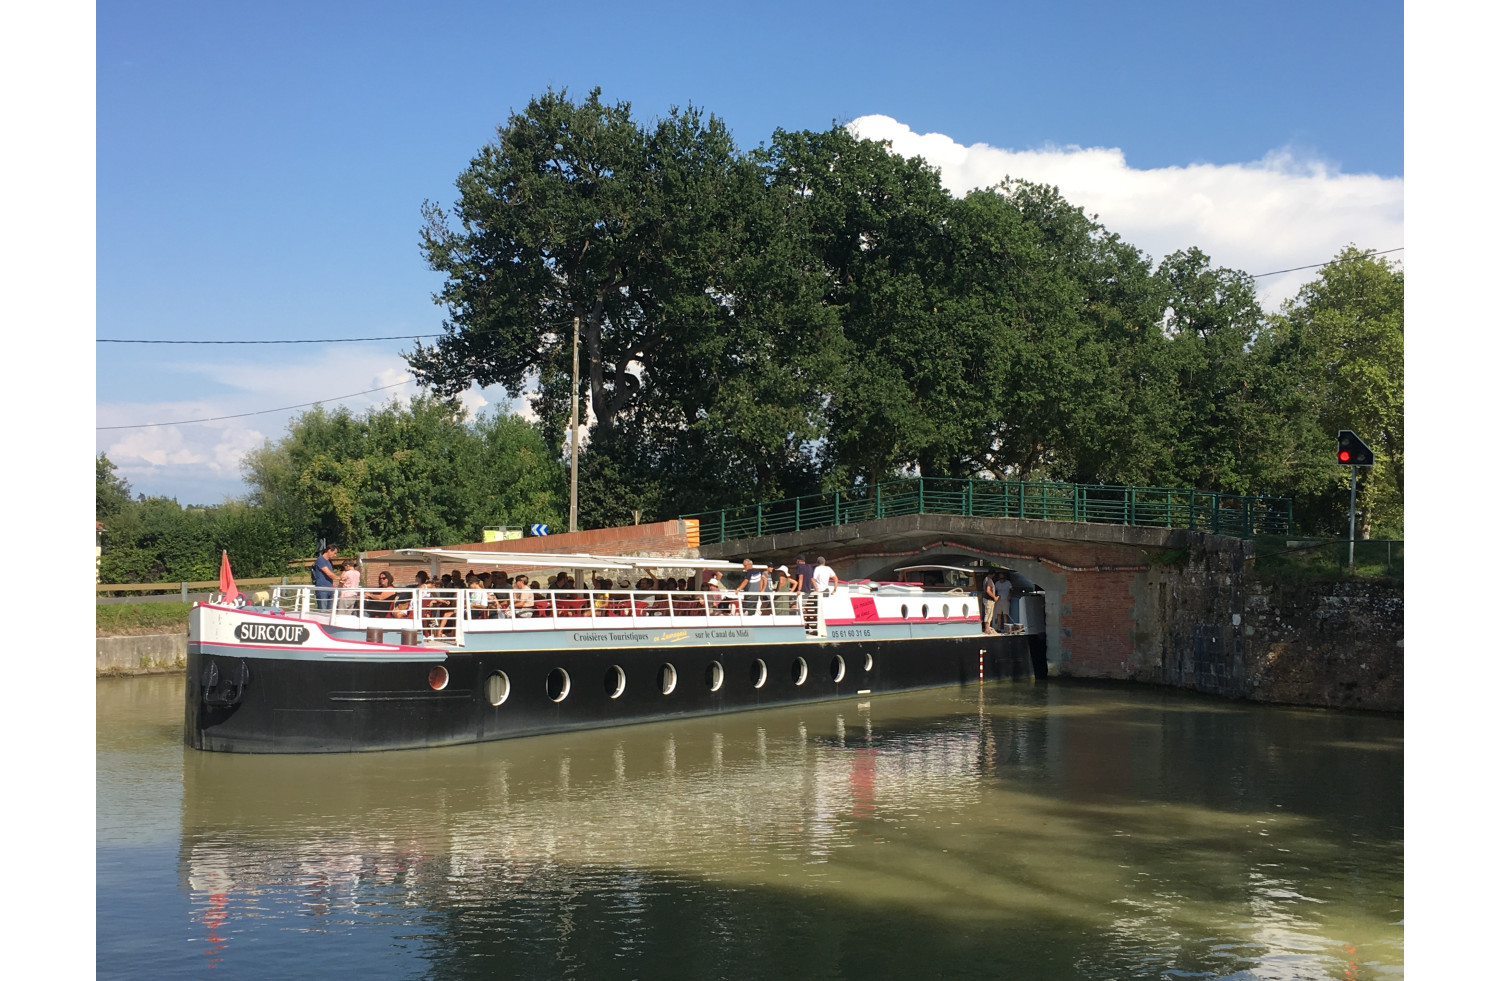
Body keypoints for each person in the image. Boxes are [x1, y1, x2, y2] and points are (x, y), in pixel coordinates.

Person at [312, 543, 339, 611]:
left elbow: (329, 575)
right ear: (329, 550)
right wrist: (340, 578)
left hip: (330, 588)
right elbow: (328, 573)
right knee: (323, 611)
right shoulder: (320, 559)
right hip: (322, 589)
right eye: (334, 553)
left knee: (330, 611)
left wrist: (332, 584)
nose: (335, 555)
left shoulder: (329, 562)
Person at [981, 568, 999, 635]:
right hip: (989, 600)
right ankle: (987, 628)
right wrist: (994, 597)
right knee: (988, 613)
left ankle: (987, 627)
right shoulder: (989, 581)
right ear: (993, 574)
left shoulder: (985, 579)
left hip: (986, 599)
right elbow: (988, 590)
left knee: (988, 613)